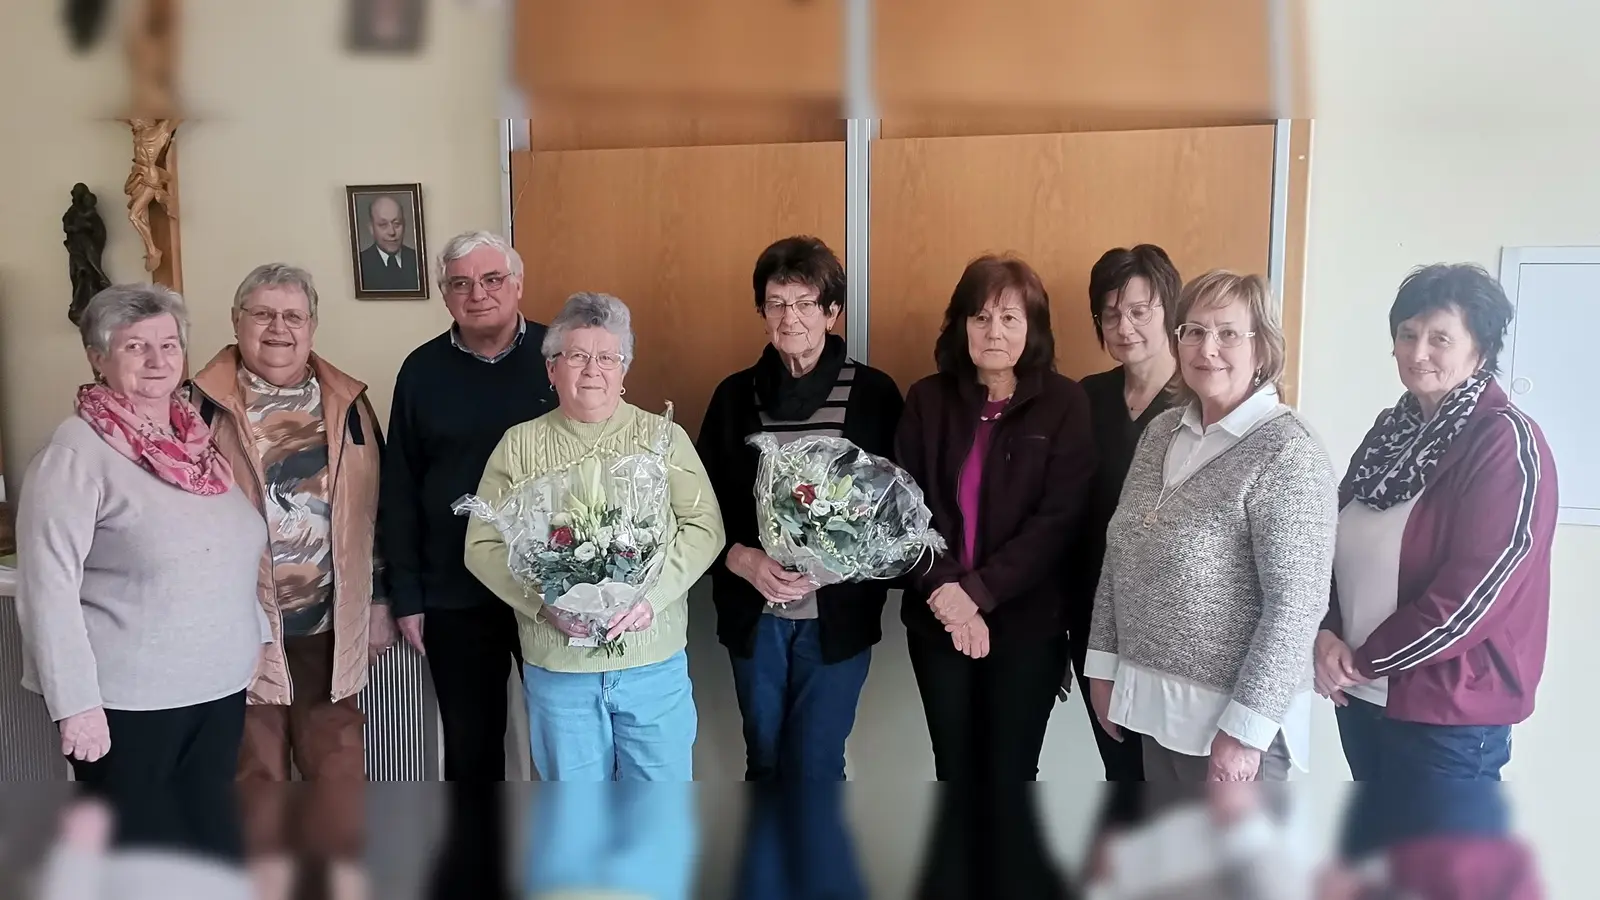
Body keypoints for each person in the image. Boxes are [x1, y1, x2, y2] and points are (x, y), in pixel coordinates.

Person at [1086, 270, 1338, 782]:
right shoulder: (1162, 431)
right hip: (1155, 709)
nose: (1208, 348)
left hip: (1232, 728)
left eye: (1227, 332)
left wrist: (1245, 732)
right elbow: (1119, 553)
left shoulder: (1288, 451)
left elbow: (1297, 605)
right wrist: (1104, 665)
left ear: (1262, 347)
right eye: (1194, 332)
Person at [15, 284, 269, 787]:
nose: (157, 360)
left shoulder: (194, 440)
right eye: (135, 346)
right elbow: (47, 590)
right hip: (130, 704)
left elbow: (230, 546)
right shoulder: (76, 453)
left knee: (200, 846)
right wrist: (76, 705)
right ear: (98, 358)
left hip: (217, 689)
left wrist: (256, 634)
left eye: (169, 344)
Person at [464, 292, 725, 781]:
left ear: (624, 371)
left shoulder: (662, 437)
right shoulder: (518, 446)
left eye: (608, 357)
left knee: (658, 813)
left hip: (652, 662)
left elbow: (705, 526)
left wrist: (653, 598)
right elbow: (482, 545)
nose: (592, 369)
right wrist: (543, 605)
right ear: (551, 370)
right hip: (558, 670)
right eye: (577, 356)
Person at [1314, 264, 1557, 782]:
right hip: (1363, 697)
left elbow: (1475, 593)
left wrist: (1364, 660)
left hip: (1448, 714)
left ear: (1480, 349)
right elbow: (1330, 542)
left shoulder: (1504, 442)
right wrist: (1325, 632)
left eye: (1440, 338)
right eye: (1407, 334)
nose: (1417, 352)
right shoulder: (1391, 431)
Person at [190, 264, 389, 896]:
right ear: (236, 321)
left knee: (338, 784)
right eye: (263, 314)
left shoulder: (350, 403)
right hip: (241, 634)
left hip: (329, 632)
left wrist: (380, 599)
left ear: (312, 325)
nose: (279, 328)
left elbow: (376, 511)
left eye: (293, 316)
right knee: (257, 783)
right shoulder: (195, 405)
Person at [698, 236, 904, 781]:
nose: (791, 317)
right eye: (777, 302)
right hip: (755, 613)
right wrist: (742, 559)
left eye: (806, 302)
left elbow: (895, 514)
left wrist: (837, 564)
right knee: (763, 759)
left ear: (832, 312)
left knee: (816, 762)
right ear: (762, 311)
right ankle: (766, 868)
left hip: (836, 617)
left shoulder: (874, 394)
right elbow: (698, 508)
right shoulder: (733, 397)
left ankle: (816, 866)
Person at [894, 254, 1096, 781]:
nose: (994, 332)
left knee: (1010, 775)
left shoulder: (1065, 404)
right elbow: (900, 510)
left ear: (1033, 329)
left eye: (1010, 318)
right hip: (938, 618)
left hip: (1028, 626)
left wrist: (978, 594)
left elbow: (1058, 521)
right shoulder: (926, 400)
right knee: (954, 773)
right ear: (961, 325)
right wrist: (950, 597)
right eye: (980, 317)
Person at [380, 230, 557, 781]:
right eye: (461, 283)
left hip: (553, 589)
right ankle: (479, 866)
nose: (477, 293)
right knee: (470, 749)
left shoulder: (562, 357)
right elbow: (399, 489)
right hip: (454, 593)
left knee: (562, 742)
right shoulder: (420, 371)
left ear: (518, 284)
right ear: (445, 294)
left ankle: (559, 862)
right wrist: (406, 596)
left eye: (492, 279)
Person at [1069, 244, 1183, 783]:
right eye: (1110, 314)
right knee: (1122, 774)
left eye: (1140, 311)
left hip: (1171, 631)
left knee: (1173, 785)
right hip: (1093, 622)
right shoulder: (1085, 398)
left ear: (1168, 310)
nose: (1124, 326)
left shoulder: (1200, 400)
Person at [357, 195, 421, 292]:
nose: (392, 232)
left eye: (397, 224)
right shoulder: (360, 264)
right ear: (371, 228)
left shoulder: (419, 260)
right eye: (383, 225)